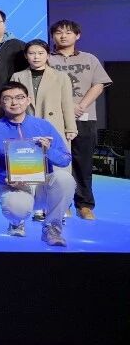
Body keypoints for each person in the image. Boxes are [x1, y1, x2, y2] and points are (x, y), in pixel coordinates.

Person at [0, 82, 77, 247]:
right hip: (12, 186)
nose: (14, 102)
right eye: (8, 99)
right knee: (17, 209)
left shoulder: (43, 126)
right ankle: (16, 222)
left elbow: (65, 159)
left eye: (19, 97)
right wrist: (4, 178)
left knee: (65, 179)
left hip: (41, 185)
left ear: (28, 100)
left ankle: (52, 228)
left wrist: (48, 151)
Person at [49, 19, 113, 221]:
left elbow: (98, 85)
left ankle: (84, 205)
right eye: (58, 32)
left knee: (83, 162)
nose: (63, 36)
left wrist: (81, 106)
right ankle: (63, 203)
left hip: (84, 117)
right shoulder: (47, 59)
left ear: (77, 35)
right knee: (57, 163)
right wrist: (65, 108)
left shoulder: (90, 58)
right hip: (56, 119)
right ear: (53, 36)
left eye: (68, 32)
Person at [10, 39, 77, 154]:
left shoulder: (61, 77)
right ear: (26, 56)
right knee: (28, 158)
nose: (36, 57)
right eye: (32, 53)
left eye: (41, 53)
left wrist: (71, 128)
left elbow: (67, 104)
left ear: (48, 55)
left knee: (55, 159)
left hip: (53, 124)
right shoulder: (17, 76)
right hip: (26, 125)